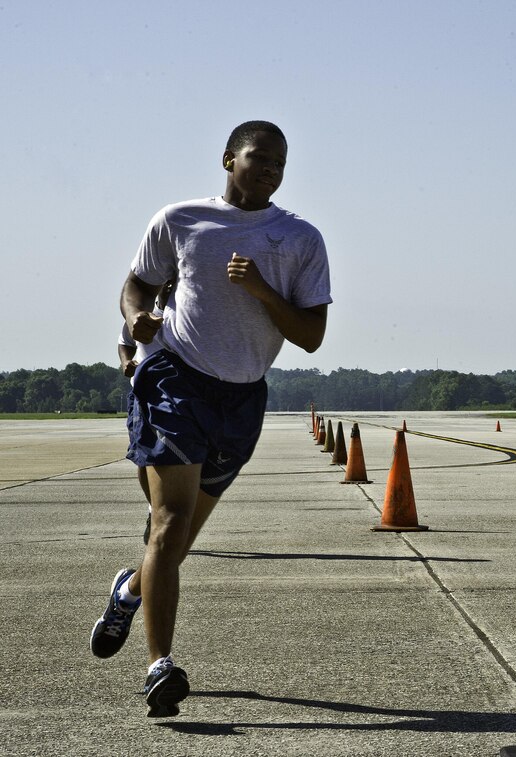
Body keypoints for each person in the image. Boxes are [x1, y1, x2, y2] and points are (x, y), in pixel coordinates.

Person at [90, 120, 332, 718]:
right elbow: (136, 285)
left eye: (280, 161)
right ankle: (160, 668)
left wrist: (263, 291)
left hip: (242, 398)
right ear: (229, 158)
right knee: (170, 525)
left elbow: (312, 338)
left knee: (175, 542)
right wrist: (138, 319)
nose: (271, 169)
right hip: (175, 378)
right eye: (259, 158)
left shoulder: (300, 238)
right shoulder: (180, 219)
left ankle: (127, 594)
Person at [117, 280, 174, 545]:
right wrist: (126, 362)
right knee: (144, 456)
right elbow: (124, 341)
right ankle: (154, 509)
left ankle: (170, 511)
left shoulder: (187, 312)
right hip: (143, 392)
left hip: (179, 395)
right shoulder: (145, 313)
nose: (170, 285)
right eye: (166, 281)